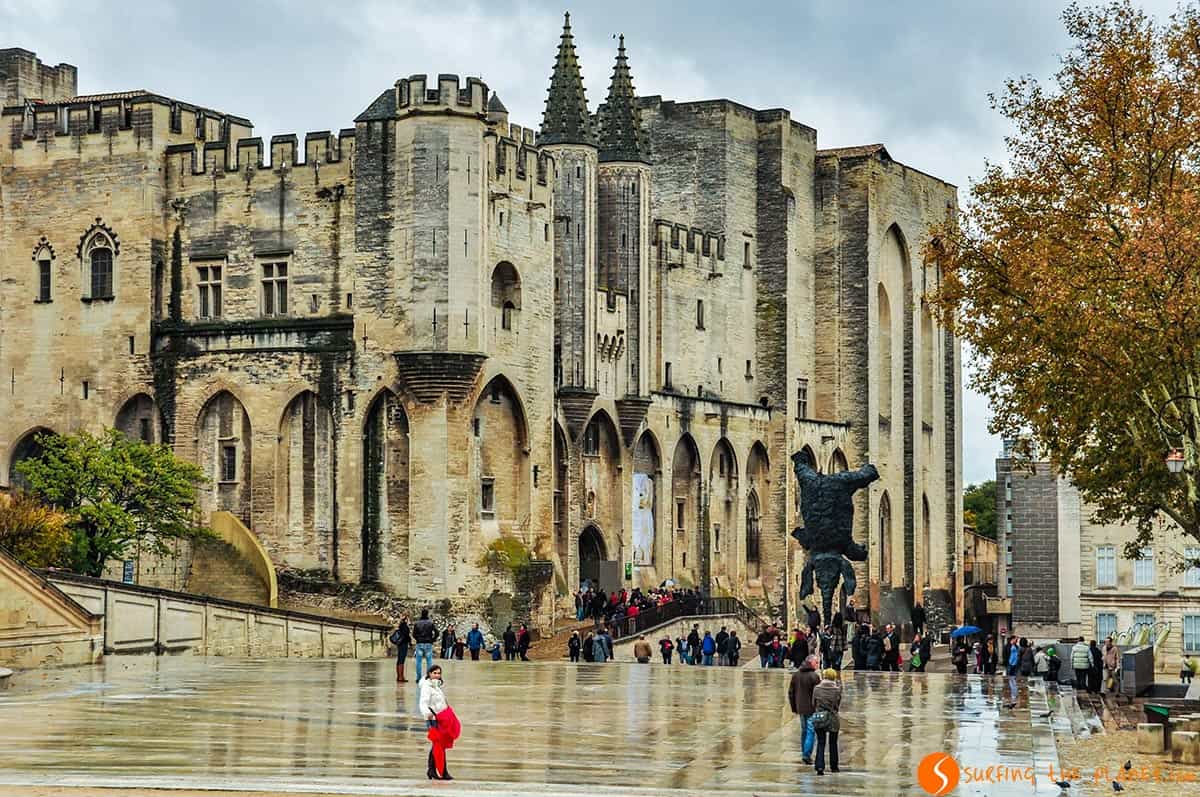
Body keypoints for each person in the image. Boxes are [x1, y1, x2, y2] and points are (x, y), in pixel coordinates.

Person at [418, 665, 458, 780]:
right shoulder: (427, 687)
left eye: (439, 673)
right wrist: (428, 714)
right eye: (434, 673)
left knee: (437, 746)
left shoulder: (436, 686)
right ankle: (442, 771)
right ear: (429, 674)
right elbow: (423, 703)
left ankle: (432, 770)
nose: (437, 675)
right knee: (438, 746)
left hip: (441, 719)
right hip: (432, 720)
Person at [788, 654, 821, 766]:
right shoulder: (814, 677)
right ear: (811, 662)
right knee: (811, 731)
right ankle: (806, 755)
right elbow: (818, 694)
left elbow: (791, 693)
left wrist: (794, 707)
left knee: (804, 731)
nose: (818, 665)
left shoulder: (796, 675)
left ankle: (804, 753)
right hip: (812, 708)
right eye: (817, 663)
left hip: (800, 708)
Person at [812, 668, 842, 775]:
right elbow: (837, 705)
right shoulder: (837, 690)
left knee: (820, 742)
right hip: (833, 717)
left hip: (820, 717)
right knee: (833, 743)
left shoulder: (816, 689)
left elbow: (813, 703)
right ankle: (834, 766)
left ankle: (820, 766)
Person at [412, 609, 437, 683]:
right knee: (429, 661)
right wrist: (433, 639)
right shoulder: (430, 623)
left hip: (419, 643)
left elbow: (414, 634)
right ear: (427, 614)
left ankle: (419, 678)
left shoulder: (417, 623)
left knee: (418, 661)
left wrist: (418, 639)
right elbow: (437, 632)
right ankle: (429, 677)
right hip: (428, 643)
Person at [390, 614, 412, 683]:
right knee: (401, 660)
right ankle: (400, 677)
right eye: (408, 619)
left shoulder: (401, 626)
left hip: (400, 644)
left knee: (400, 660)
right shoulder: (405, 626)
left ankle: (399, 676)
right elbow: (406, 635)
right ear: (406, 619)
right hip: (403, 644)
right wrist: (410, 641)